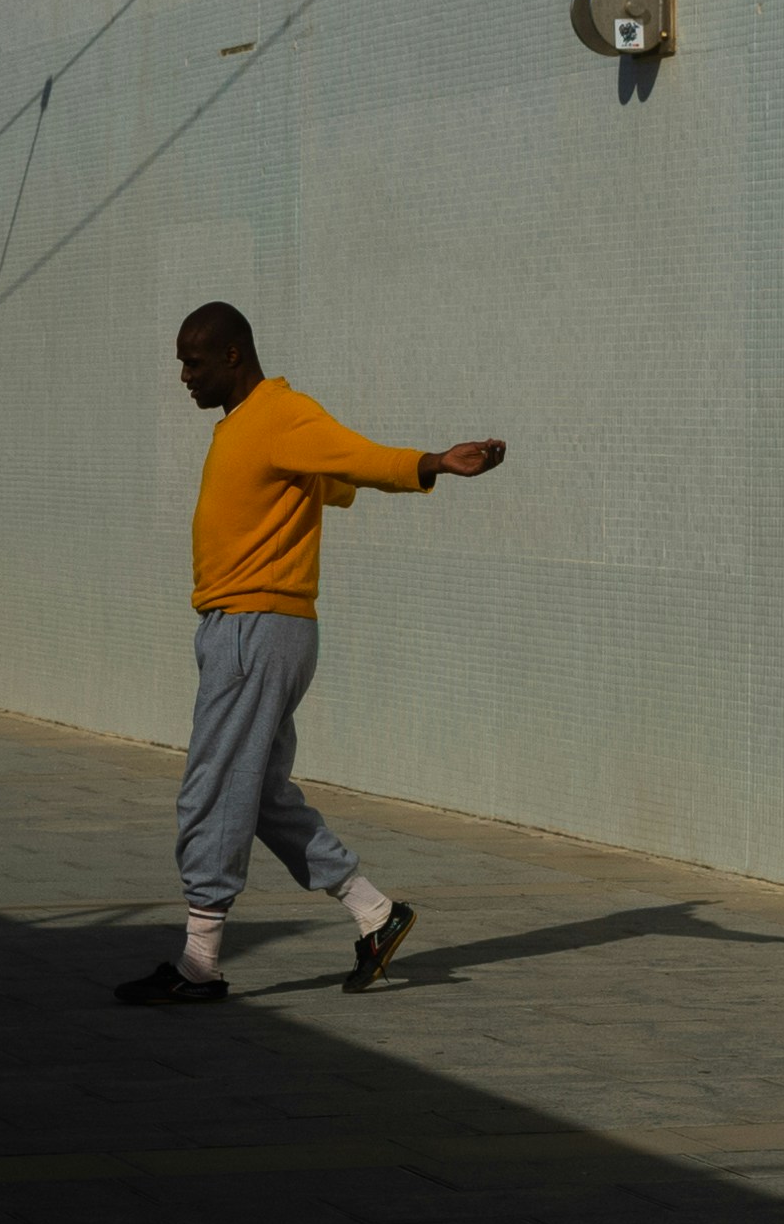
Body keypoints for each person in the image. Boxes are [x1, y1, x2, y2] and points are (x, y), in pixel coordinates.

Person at [120, 300, 502, 1008]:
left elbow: (354, 455)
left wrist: (432, 463)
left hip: (255, 626)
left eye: (193, 361)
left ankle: (199, 965)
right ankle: (375, 914)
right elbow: (332, 481)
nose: (183, 375)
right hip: (255, 629)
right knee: (259, 794)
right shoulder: (248, 426)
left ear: (233, 355)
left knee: (210, 789)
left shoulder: (281, 413)